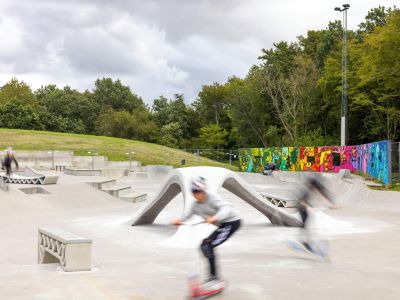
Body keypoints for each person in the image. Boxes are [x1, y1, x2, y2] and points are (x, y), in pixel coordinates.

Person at [172, 176, 241, 284]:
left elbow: (226, 207)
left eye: (199, 192)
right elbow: (187, 216)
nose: (197, 195)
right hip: (223, 225)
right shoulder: (195, 205)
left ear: (204, 191)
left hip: (232, 222)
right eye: (194, 192)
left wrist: (215, 217)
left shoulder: (212, 198)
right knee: (205, 245)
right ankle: (213, 277)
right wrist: (179, 221)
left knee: (208, 246)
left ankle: (214, 278)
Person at [296, 177, 337, 252]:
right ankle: (303, 241)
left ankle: (306, 241)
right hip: (301, 207)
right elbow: (302, 201)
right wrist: (309, 207)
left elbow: (325, 194)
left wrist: (332, 203)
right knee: (305, 224)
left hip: (307, 206)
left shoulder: (317, 188)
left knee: (307, 224)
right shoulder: (307, 191)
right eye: (315, 188)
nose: (316, 190)